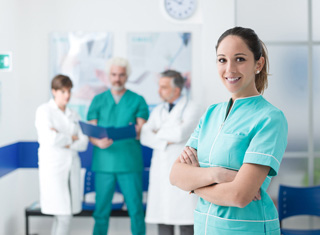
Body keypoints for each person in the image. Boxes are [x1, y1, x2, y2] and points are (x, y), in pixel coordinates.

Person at [170, 27, 288, 235]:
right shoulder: (211, 114)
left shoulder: (269, 118)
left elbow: (239, 196)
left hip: (246, 229)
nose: (230, 69)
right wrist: (219, 174)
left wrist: (194, 185)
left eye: (240, 59)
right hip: (205, 228)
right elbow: (176, 175)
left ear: (258, 64)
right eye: (222, 60)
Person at [87, 57, 149, 235]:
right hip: (104, 163)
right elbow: (92, 131)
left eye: (121, 75)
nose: (117, 79)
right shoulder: (98, 100)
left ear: (127, 76)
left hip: (129, 163)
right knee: (101, 212)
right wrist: (97, 141)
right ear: (108, 76)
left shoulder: (137, 100)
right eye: (114, 74)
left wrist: (135, 130)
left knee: (136, 211)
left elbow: (140, 130)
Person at [140, 70, 203, 235]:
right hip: (161, 174)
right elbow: (144, 135)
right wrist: (165, 137)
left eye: (164, 87)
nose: (159, 91)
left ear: (176, 90)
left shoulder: (193, 108)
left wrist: (157, 132)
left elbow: (180, 133)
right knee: (163, 223)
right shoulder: (158, 110)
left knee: (186, 223)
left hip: (183, 171)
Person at [35, 74, 89, 235]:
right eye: (63, 91)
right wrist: (72, 138)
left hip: (71, 167)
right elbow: (50, 138)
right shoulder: (44, 111)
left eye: (69, 91)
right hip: (53, 169)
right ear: (54, 91)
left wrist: (63, 138)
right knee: (64, 216)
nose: (67, 95)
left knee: (63, 215)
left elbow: (84, 143)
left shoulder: (74, 114)